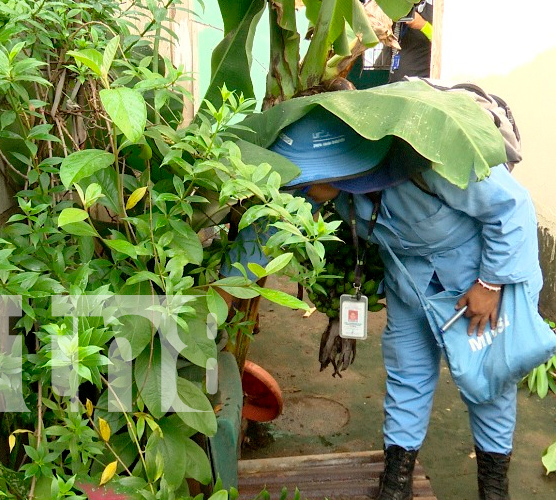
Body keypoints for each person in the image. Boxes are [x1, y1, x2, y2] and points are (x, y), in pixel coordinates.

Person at [224, 106, 543, 500]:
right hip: (409, 283)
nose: (301, 191)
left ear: (334, 167)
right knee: (407, 375)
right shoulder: (334, 187)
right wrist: (221, 294)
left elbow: (513, 208)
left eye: (306, 181)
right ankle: (396, 482)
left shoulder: (428, 160)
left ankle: (494, 488)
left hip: (473, 284)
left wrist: (490, 284)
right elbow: (264, 230)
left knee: (489, 380)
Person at [388, 0, 434, 82]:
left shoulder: (435, 12)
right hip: (395, 82)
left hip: (419, 85)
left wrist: (423, 25)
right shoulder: (399, 10)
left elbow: (444, 44)